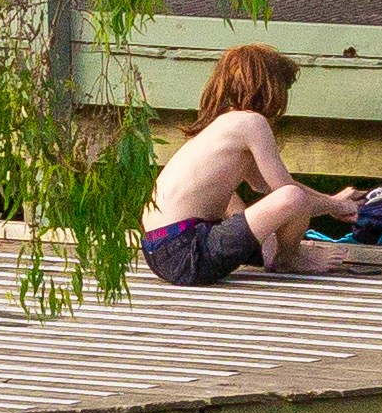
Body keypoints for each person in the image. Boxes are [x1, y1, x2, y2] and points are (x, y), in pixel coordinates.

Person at [138, 41, 354, 284]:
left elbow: (263, 185)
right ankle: (288, 257)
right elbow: (286, 192)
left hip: (160, 249)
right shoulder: (252, 123)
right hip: (188, 250)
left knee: (276, 200)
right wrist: (335, 207)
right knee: (291, 196)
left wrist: (333, 202)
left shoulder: (224, 125)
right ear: (270, 89)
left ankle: (270, 251)